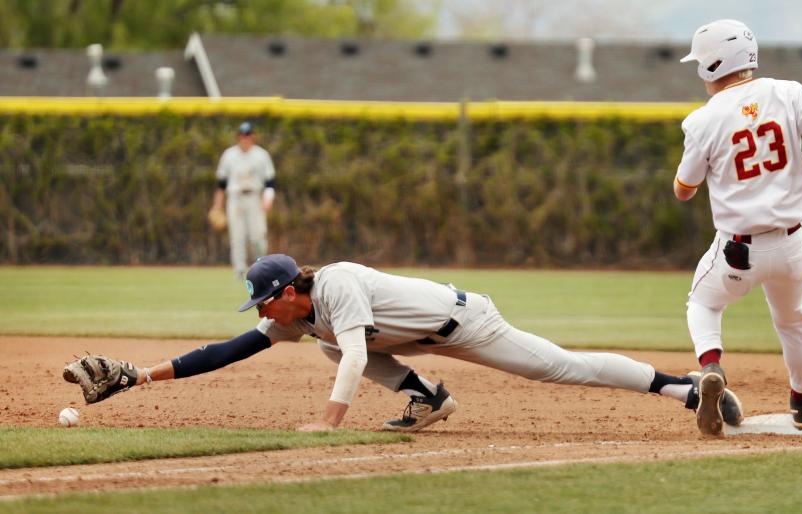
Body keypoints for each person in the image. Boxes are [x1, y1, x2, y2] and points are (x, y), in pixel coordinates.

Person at [63, 254, 744, 434]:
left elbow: (359, 356)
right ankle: (428, 400)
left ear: (288, 289)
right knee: (325, 346)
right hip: (412, 338)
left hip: (464, 322)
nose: (264, 313)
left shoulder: (336, 286)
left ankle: (683, 389)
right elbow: (230, 349)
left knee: (556, 368)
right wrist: (143, 377)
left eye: (267, 301)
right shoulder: (298, 316)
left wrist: (330, 422)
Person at [672, 19, 802, 436]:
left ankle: (711, 367)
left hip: (737, 251)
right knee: (793, 320)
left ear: (711, 66)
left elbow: (684, 190)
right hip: (790, 244)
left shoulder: (703, 119)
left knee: (702, 304)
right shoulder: (788, 93)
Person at [210, 121, 277, 280]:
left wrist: (268, 199)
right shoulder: (229, 155)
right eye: (242, 135)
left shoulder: (261, 155)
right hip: (235, 199)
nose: (245, 138)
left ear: (253, 136)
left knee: (258, 237)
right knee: (237, 237)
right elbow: (221, 183)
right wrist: (217, 206)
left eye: (248, 135)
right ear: (238, 137)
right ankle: (239, 271)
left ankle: (261, 267)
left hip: (254, 198)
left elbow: (270, 182)